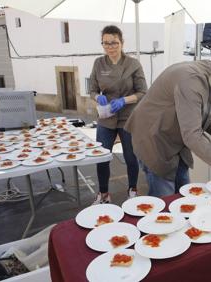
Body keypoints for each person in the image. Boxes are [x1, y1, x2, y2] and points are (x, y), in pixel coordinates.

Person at [125, 52, 211, 197]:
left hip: (176, 140)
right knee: (165, 201)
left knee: (186, 198)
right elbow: (192, 136)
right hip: (153, 138)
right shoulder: (192, 81)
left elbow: (198, 114)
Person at [90, 25, 147, 204]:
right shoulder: (99, 63)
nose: (110, 47)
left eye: (114, 42)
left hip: (128, 118)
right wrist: (97, 97)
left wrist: (124, 100)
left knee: (130, 157)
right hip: (106, 117)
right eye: (105, 43)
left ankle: (132, 189)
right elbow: (91, 89)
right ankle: (104, 194)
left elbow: (143, 92)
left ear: (122, 43)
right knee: (102, 156)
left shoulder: (133, 64)